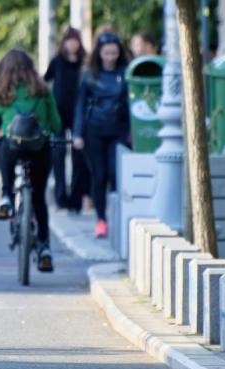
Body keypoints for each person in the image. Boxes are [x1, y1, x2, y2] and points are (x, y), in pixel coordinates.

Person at [0, 48, 61, 272]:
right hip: (40, 149)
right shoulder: (43, 91)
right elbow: (56, 123)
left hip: (13, 149)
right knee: (39, 198)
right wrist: (49, 131)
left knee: (4, 145)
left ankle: (5, 197)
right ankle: (44, 249)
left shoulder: (4, 94)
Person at [73, 32, 130, 238]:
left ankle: (117, 216)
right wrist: (77, 133)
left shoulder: (126, 72)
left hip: (118, 130)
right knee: (99, 175)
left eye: (114, 53)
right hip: (94, 130)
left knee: (116, 173)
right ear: (99, 53)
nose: (110, 57)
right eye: (107, 53)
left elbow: (132, 104)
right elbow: (80, 105)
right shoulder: (89, 74)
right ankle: (101, 220)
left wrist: (132, 131)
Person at [44, 27, 90, 213]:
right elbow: (45, 80)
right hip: (59, 113)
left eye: (75, 40)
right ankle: (61, 197)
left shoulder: (85, 63)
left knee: (79, 155)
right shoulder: (57, 62)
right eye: (68, 40)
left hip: (79, 113)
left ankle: (76, 198)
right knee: (58, 153)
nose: (72, 44)